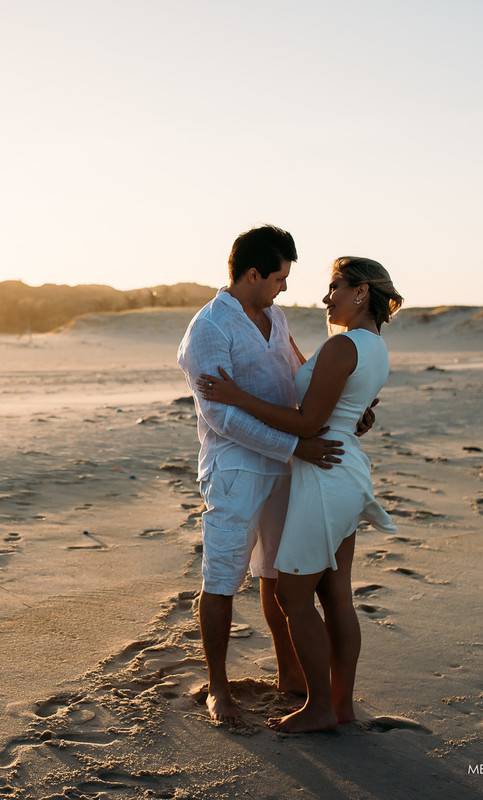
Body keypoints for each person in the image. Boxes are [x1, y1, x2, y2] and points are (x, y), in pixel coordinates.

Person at [197, 256, 404, 732]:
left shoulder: (342, 348)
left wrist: (237, 397)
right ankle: (340, 703)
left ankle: (320, 708)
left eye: (335, 287)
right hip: (344, 469)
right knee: (336, 595)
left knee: (293, 593)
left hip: (325, 477)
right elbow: (345, 409)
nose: (325, 297)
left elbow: (309, 423)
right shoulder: (374, 348)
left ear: (361, 294)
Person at [178, 225, 360, 726]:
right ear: (253, 273)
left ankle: (290, 674)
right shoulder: (209, 328)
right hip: (235, 468)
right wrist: (296, 444)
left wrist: (349, 407)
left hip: (288, 465)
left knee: (277, 572)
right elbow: (222, 416)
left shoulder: (275, 317)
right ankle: (219, 689)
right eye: (279, 277)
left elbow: (300, 372)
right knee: (221, 577)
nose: (284, 287)